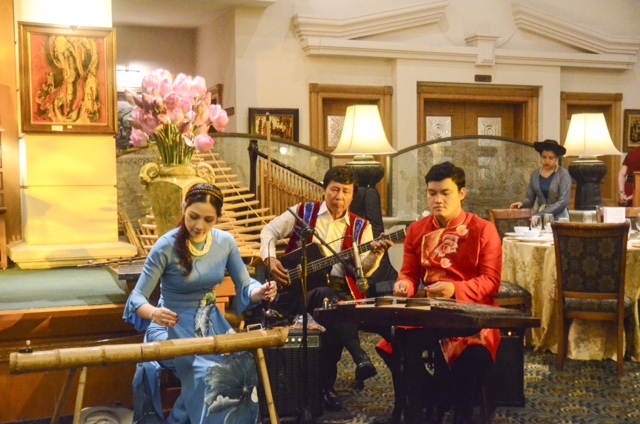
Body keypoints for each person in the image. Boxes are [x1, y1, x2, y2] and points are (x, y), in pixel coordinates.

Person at [123, 183, 277, 424]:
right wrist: (154, 313)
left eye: (208, 220)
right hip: (171, 325)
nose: (199, 226)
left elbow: (246, 286)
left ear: (217, 218)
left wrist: (262, 291)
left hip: (212, 324)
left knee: (243, 366)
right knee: (209, 374)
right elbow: (136, 298)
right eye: (193, 216)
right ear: (184, 207)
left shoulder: (225, 242)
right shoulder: (166, 246)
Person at [377, 162, 502, 424]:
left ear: (462, 193)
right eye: (432, 193)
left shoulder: (483, 229)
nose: (438, 200)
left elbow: (491, 282)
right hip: (429, 311)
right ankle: (424, 401)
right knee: (395, 343)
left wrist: (455, 289)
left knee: (474, 355)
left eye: (445, 193)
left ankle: (453, 407)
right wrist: (404, 285)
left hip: (472, 313)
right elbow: (409, 274)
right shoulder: (417, 229)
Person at [260, 165, 393, 411]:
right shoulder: (303, 213)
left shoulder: (361, 227)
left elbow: (362, 271)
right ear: (324, 189)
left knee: (333, 310)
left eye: (345, 191)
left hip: (340, 293)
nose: (339, 196)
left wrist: (375, 255)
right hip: (297, 292)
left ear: (353, 196)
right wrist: (270, 258)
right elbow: (269, 230)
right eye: (334, 189)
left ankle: (324, 387)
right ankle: (358, 356)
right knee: (327, 298)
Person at [509, 139, 571, 221]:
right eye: (544, 157)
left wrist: (541, 214)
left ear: (556, 158)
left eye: (551, 158)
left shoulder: (563, 174)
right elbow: (530, 199)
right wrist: (522, 204)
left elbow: (563, 202)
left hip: (559, 218)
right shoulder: (535, 174)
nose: (547, 161)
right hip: (540, 218)